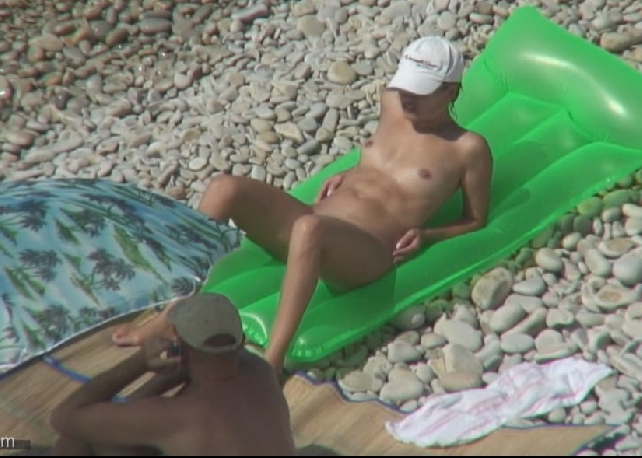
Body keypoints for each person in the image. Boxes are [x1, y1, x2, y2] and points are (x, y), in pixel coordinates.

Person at [111, 36, 495, 373]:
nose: (408, 96)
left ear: (450, 91)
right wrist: (350, 170)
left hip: (368, 253)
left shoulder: (467, 149)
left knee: (310, 229)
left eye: (421, 90)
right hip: (313, 219)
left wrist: (428, 235)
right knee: (225, 187)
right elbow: (383, 164)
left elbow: (475, 219)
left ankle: (273, 361)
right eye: (406, 84)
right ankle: (168, 316)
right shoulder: (392, 103)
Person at [49, 293, 296, 456]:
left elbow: (63, 418)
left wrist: (139, 363)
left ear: (180, 342)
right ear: (240, 342)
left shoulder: (179, 415)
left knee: (77, 438)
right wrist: (172, 374)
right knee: (112, 436)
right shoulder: (260, 371)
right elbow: (133, 415)